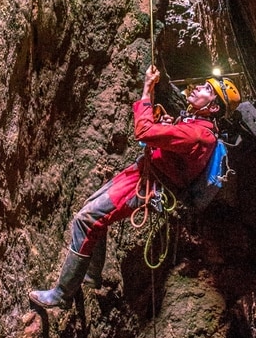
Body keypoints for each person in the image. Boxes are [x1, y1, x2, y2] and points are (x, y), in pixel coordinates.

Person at [29, 65, 241, 309]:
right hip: (143, 173)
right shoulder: (197, 125)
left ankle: (61, 296)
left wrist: (147, 89)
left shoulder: (198, 134)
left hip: (147, 185)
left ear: (213, 107)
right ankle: (90, 276)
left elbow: (144, 131)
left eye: (208, 89)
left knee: (87, 219)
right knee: (91, 209)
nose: (200, 87)